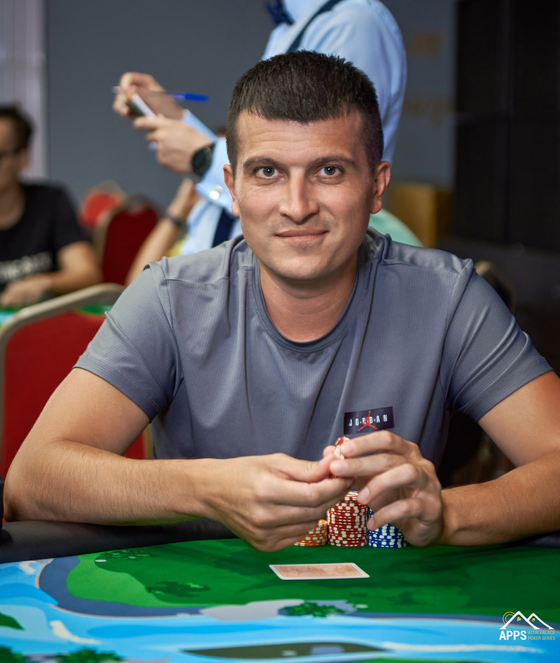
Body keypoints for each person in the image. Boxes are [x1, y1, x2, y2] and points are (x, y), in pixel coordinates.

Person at [5, 53, 560, 552]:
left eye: (329, 170)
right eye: (268, 172)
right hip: (202, 606)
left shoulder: (447, 296)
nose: (297, 206)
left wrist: (447, 516)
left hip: (390, 606)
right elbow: (33, 480)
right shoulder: (170, 298)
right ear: (233, 187)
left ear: (376, 186)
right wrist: (207, 488)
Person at [112, 0, 417, 255]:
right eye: (267, 171)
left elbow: (312, 165)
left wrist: (202, 157)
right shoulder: (302, 25)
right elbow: (275, 149)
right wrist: (179, 120)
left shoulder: (354, 25)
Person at [0, 105, 101, 307]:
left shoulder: (50, 202)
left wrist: (44, 283)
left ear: (23, 158)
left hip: (41, 321)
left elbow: (87, 274)